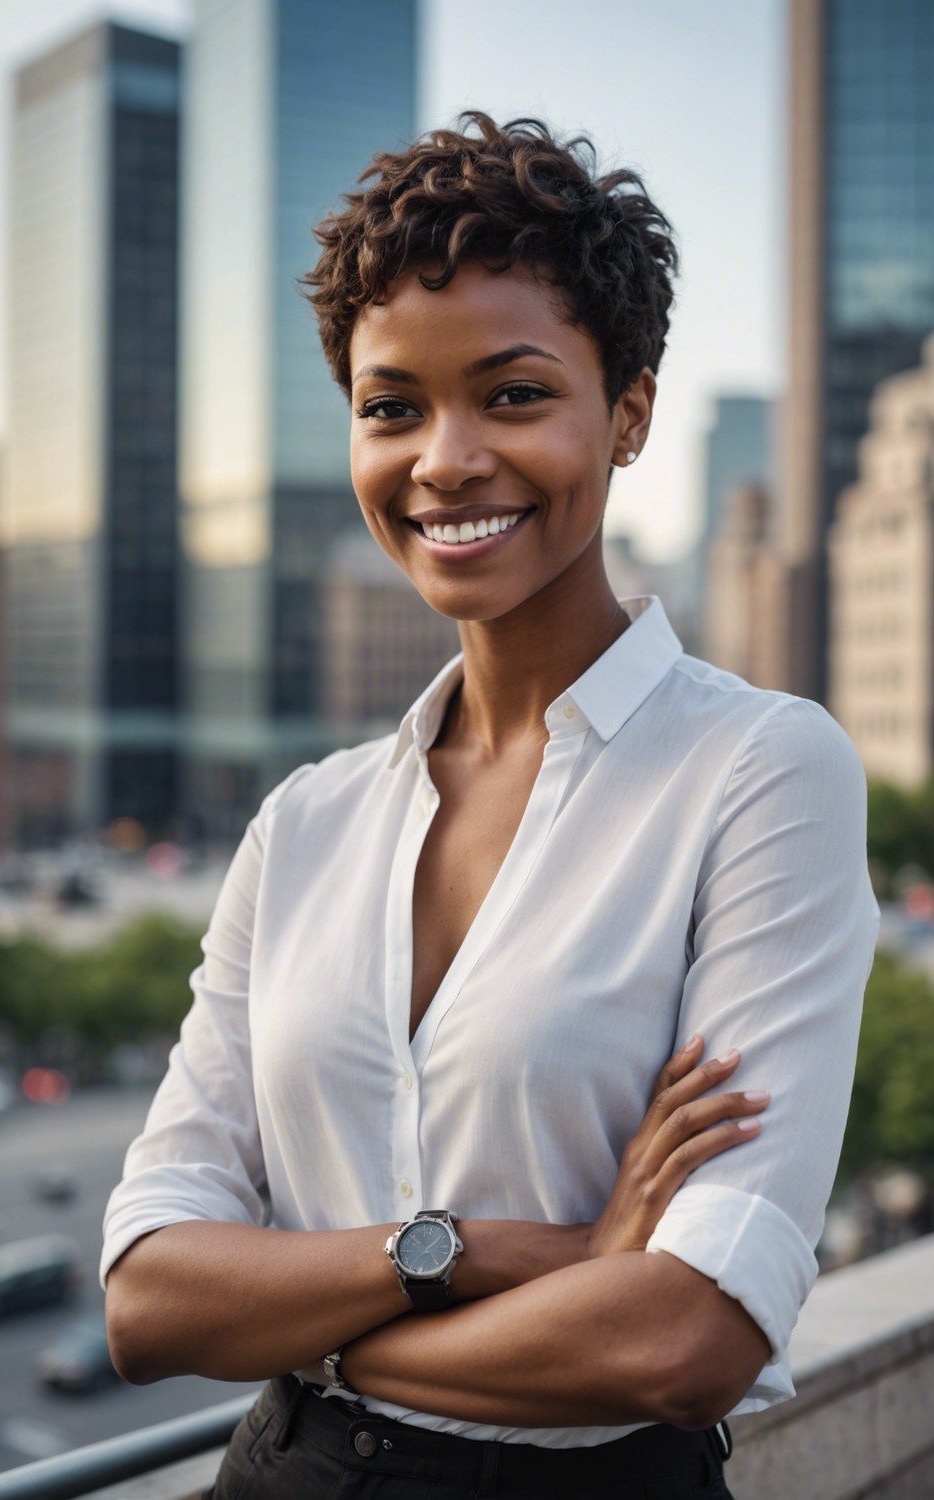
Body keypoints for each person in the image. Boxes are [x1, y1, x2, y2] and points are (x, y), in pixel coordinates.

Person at [102, 115, 880, 1498]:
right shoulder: (305, 824)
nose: (444, 460)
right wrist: (480, 1252)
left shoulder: (764, 771)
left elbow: (689, 1333)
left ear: (627, 412)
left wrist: (317, 1343)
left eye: (513, 395)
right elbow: (151, 1299)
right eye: (392, 406)